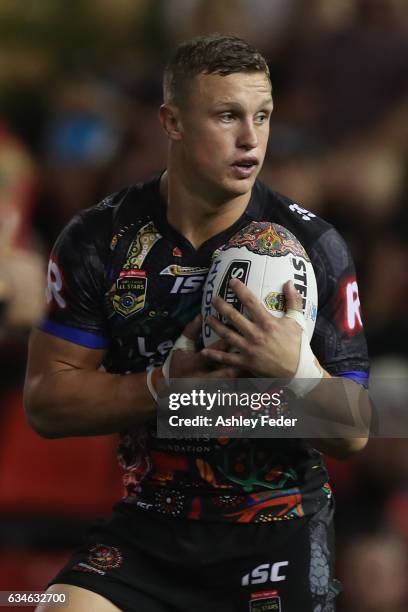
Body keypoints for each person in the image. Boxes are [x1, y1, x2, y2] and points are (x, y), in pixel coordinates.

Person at [25, 34, 369, 612]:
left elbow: (355, 430)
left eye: (262, 116)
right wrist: (162, 388)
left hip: (276, 530)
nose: (251, 138)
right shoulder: (98, 240)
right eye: (228, 115)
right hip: (150, 529)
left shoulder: (315, 246)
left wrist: (295, 369)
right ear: (172, 122)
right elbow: (45, 402)